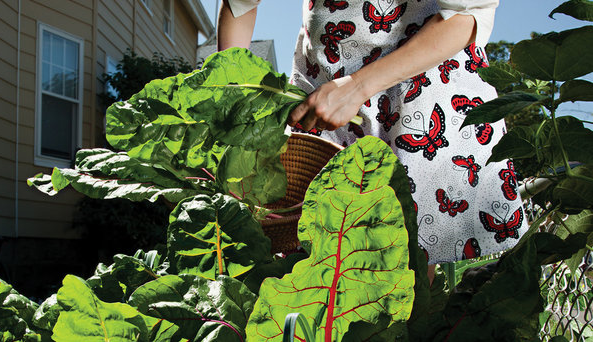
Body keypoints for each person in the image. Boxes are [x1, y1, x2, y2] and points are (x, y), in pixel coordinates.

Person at [217, 0, 528, 280]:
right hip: (322, 87)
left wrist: (356, 87)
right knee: (309, 262)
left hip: (417, 92)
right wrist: (230, 99)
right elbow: (240, 5)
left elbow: (465, 16)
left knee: (401, 267)